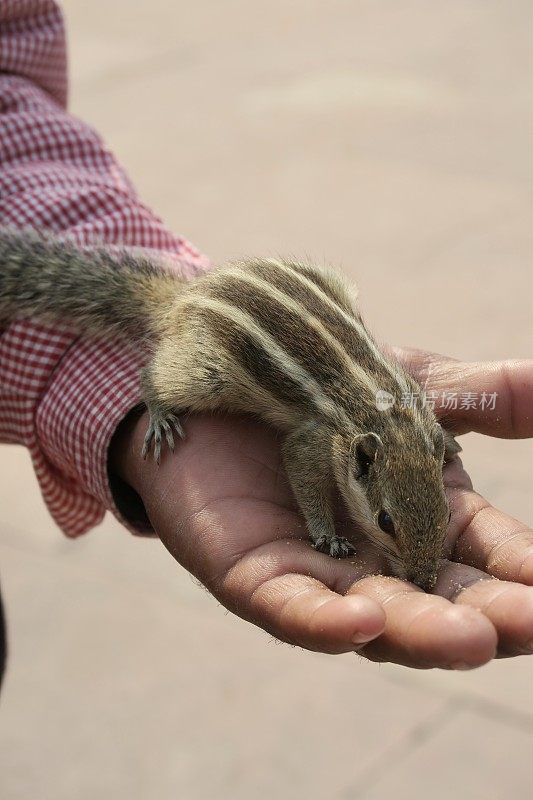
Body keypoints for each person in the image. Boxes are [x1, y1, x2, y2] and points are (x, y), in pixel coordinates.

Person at [2, 1, 533, 684]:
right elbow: (301, 451)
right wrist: (321, 528)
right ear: (361, 463)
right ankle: (160, 395)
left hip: (277, 298)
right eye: (391, 526)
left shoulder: (412, 430)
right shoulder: (338, 440)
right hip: (220, 328)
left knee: (328, 283)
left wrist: (432, 471)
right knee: (192, 382)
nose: (412, 562)